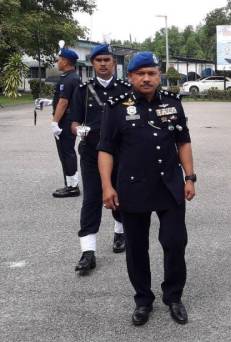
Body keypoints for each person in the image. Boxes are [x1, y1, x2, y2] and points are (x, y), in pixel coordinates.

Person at [98, 52, 196, 326]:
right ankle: (143, 300)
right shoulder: (117, 107)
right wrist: (107, 186)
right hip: (133, 187)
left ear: (159, 75)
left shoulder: (173, 103)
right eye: (140, 73)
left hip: (169, 185)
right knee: (137, 248)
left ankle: (173, 297)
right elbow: (105, 149)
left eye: (151, 73)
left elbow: (183, 142)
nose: (146, 78)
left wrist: (190, 177)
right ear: (130, 77)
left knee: (175, 242)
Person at [68, 44, 130, 275]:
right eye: (98, 60)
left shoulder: (126, 89)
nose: (103, 64)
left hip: (120, 153)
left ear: (113, 63)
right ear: (92, 64)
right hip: (92, 152)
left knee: (120, 194)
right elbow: (73, 121)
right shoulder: (83, 90)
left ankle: (119, 233)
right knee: (92, 198)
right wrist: (78, 130)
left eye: (107, 60)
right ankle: (88, 252)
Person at [51, 47, 81, 198]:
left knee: (67, 152)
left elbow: (64, 102)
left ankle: (73, 186)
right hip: (66, 119)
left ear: (66, 61)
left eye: (59, 59)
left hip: (66, 121)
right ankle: (69, 183)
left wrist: (55, 122)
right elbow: (60, 99)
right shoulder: (68, 77)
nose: (57, 62)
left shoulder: (70, 78)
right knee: (65, 152)